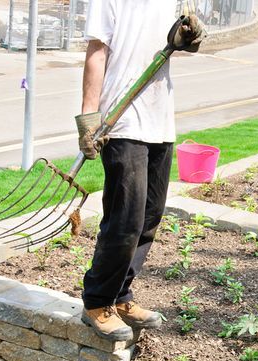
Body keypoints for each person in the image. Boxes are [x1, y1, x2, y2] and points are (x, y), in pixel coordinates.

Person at [75, 1, 202, 340]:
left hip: (160, 119)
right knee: (125, 219)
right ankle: (97, 301)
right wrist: (89, 118)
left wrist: (191, 36)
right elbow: (97, 52)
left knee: (149, 217)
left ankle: (120, 294)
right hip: (123, 119)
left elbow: (186, 41)